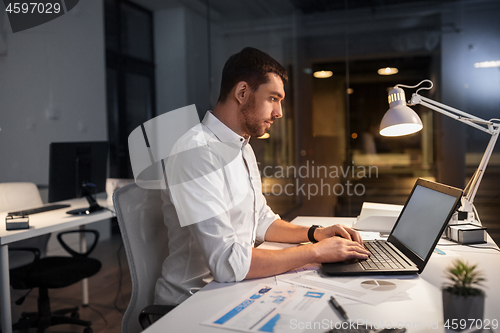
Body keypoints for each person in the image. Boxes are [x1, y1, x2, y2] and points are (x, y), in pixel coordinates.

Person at [154, 47, 369, 306]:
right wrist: (315, 252)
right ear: (242, 93)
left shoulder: (241, 146)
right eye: (273, 98)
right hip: (192, 302)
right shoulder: (196, 152)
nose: (279, 112)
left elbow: (260, 221)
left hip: (231, 289)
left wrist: (316, 234)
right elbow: (227, 263)